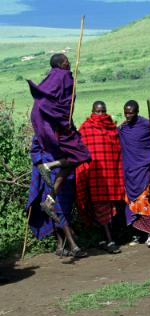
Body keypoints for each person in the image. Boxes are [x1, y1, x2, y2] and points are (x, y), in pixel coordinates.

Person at [27, 53, 90, 219]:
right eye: (66, 61)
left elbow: (52, 101)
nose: (69, 64)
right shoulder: (63, 76)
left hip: (50, 124)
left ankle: (49, 200)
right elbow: (65, 102)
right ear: (60, 64)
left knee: (69, 164)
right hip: (58, 125)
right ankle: (48, 166)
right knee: (82, 155)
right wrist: (65, 121)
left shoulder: (50, 78)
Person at [75, 101, 124, 254]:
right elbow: (80, 150)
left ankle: (106, 239)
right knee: (99, 208)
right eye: (98, 112)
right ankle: (110, 241)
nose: (101, 115)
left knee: (108, 209)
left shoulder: (112, 128)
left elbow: (117, 151)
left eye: (103, 111)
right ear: (92, 112)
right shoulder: (85, 128)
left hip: (109, 176)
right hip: (94, 175)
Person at [26, 135, 87, 258]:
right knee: (56, 206)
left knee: (64, 208)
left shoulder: (67, 125)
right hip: (50, 173)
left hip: (67, 173)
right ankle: (73, 245)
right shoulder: (43, 128)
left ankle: (60, 246)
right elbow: (35, 151)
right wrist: (40, 164)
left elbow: (77, 145)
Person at [119, 100, 150, 248]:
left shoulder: (147, 126)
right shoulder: (123, 129)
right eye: (126, 112)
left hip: (145, 169)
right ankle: (135, 235)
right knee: (130, 203)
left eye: (131, 112)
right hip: (129, 172)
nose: (128, 115)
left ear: (137, 111)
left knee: (145, 201)